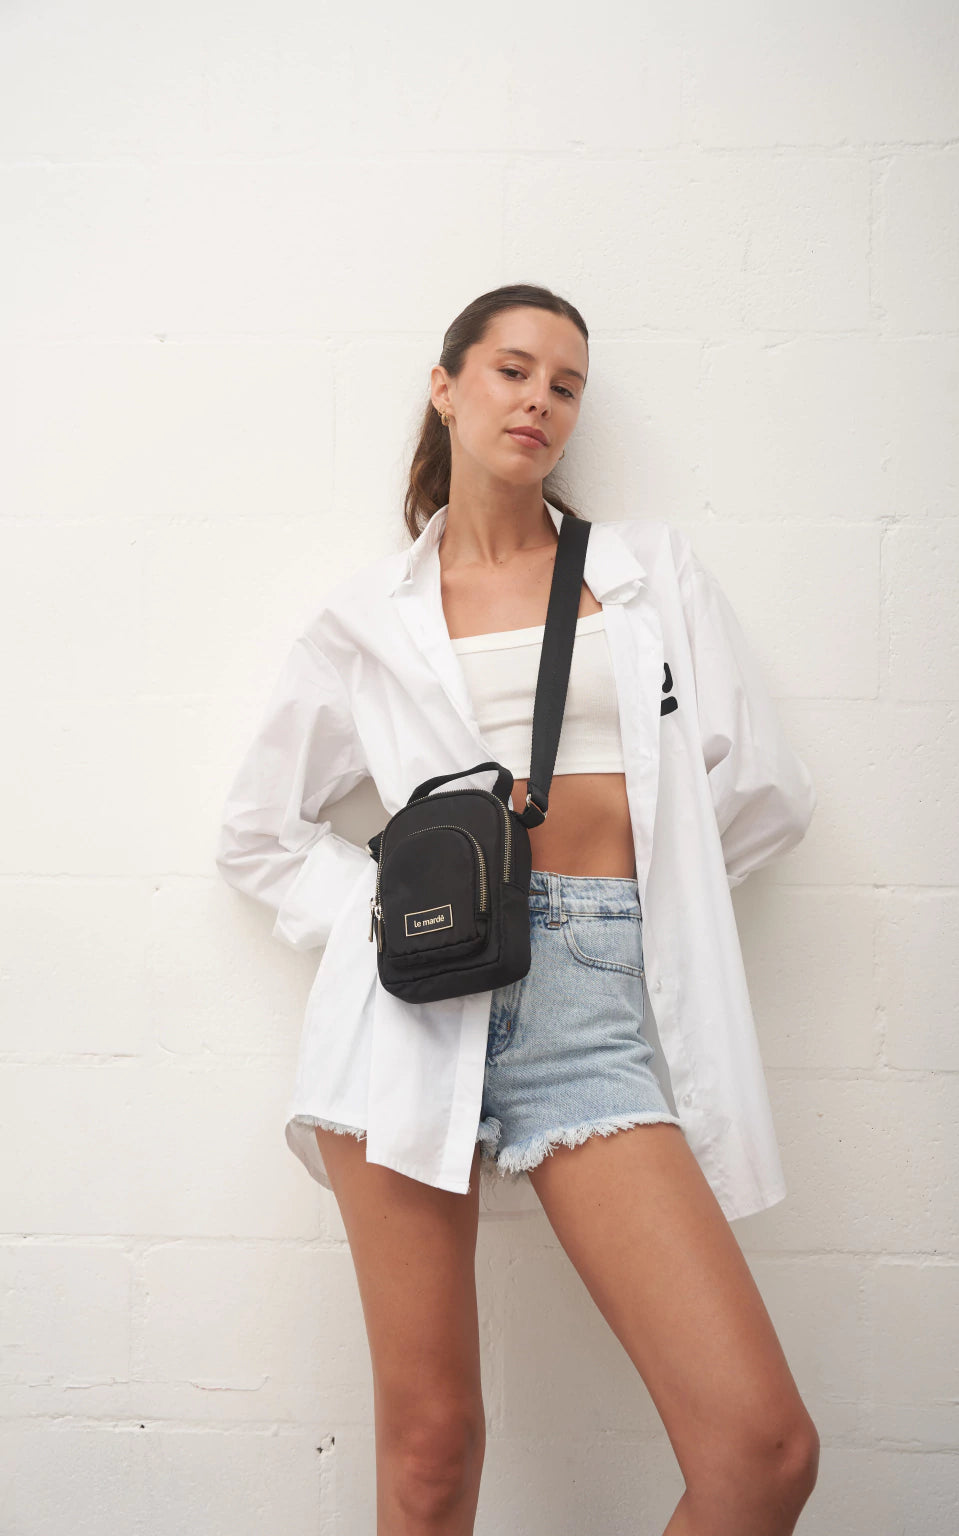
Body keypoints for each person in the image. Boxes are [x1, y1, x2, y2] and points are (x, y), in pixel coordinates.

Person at [215, 283, 820, 1535]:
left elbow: (761, 794)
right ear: (446, 388)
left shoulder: (646, 577)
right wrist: (383, 911)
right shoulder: (362, 620)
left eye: (565, 383)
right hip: (406, 1014)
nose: (539, 398)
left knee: (761, 1453)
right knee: (431, 1452)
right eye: (511, 369)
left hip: (586, 1012)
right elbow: (259, 832)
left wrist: (646, 911)